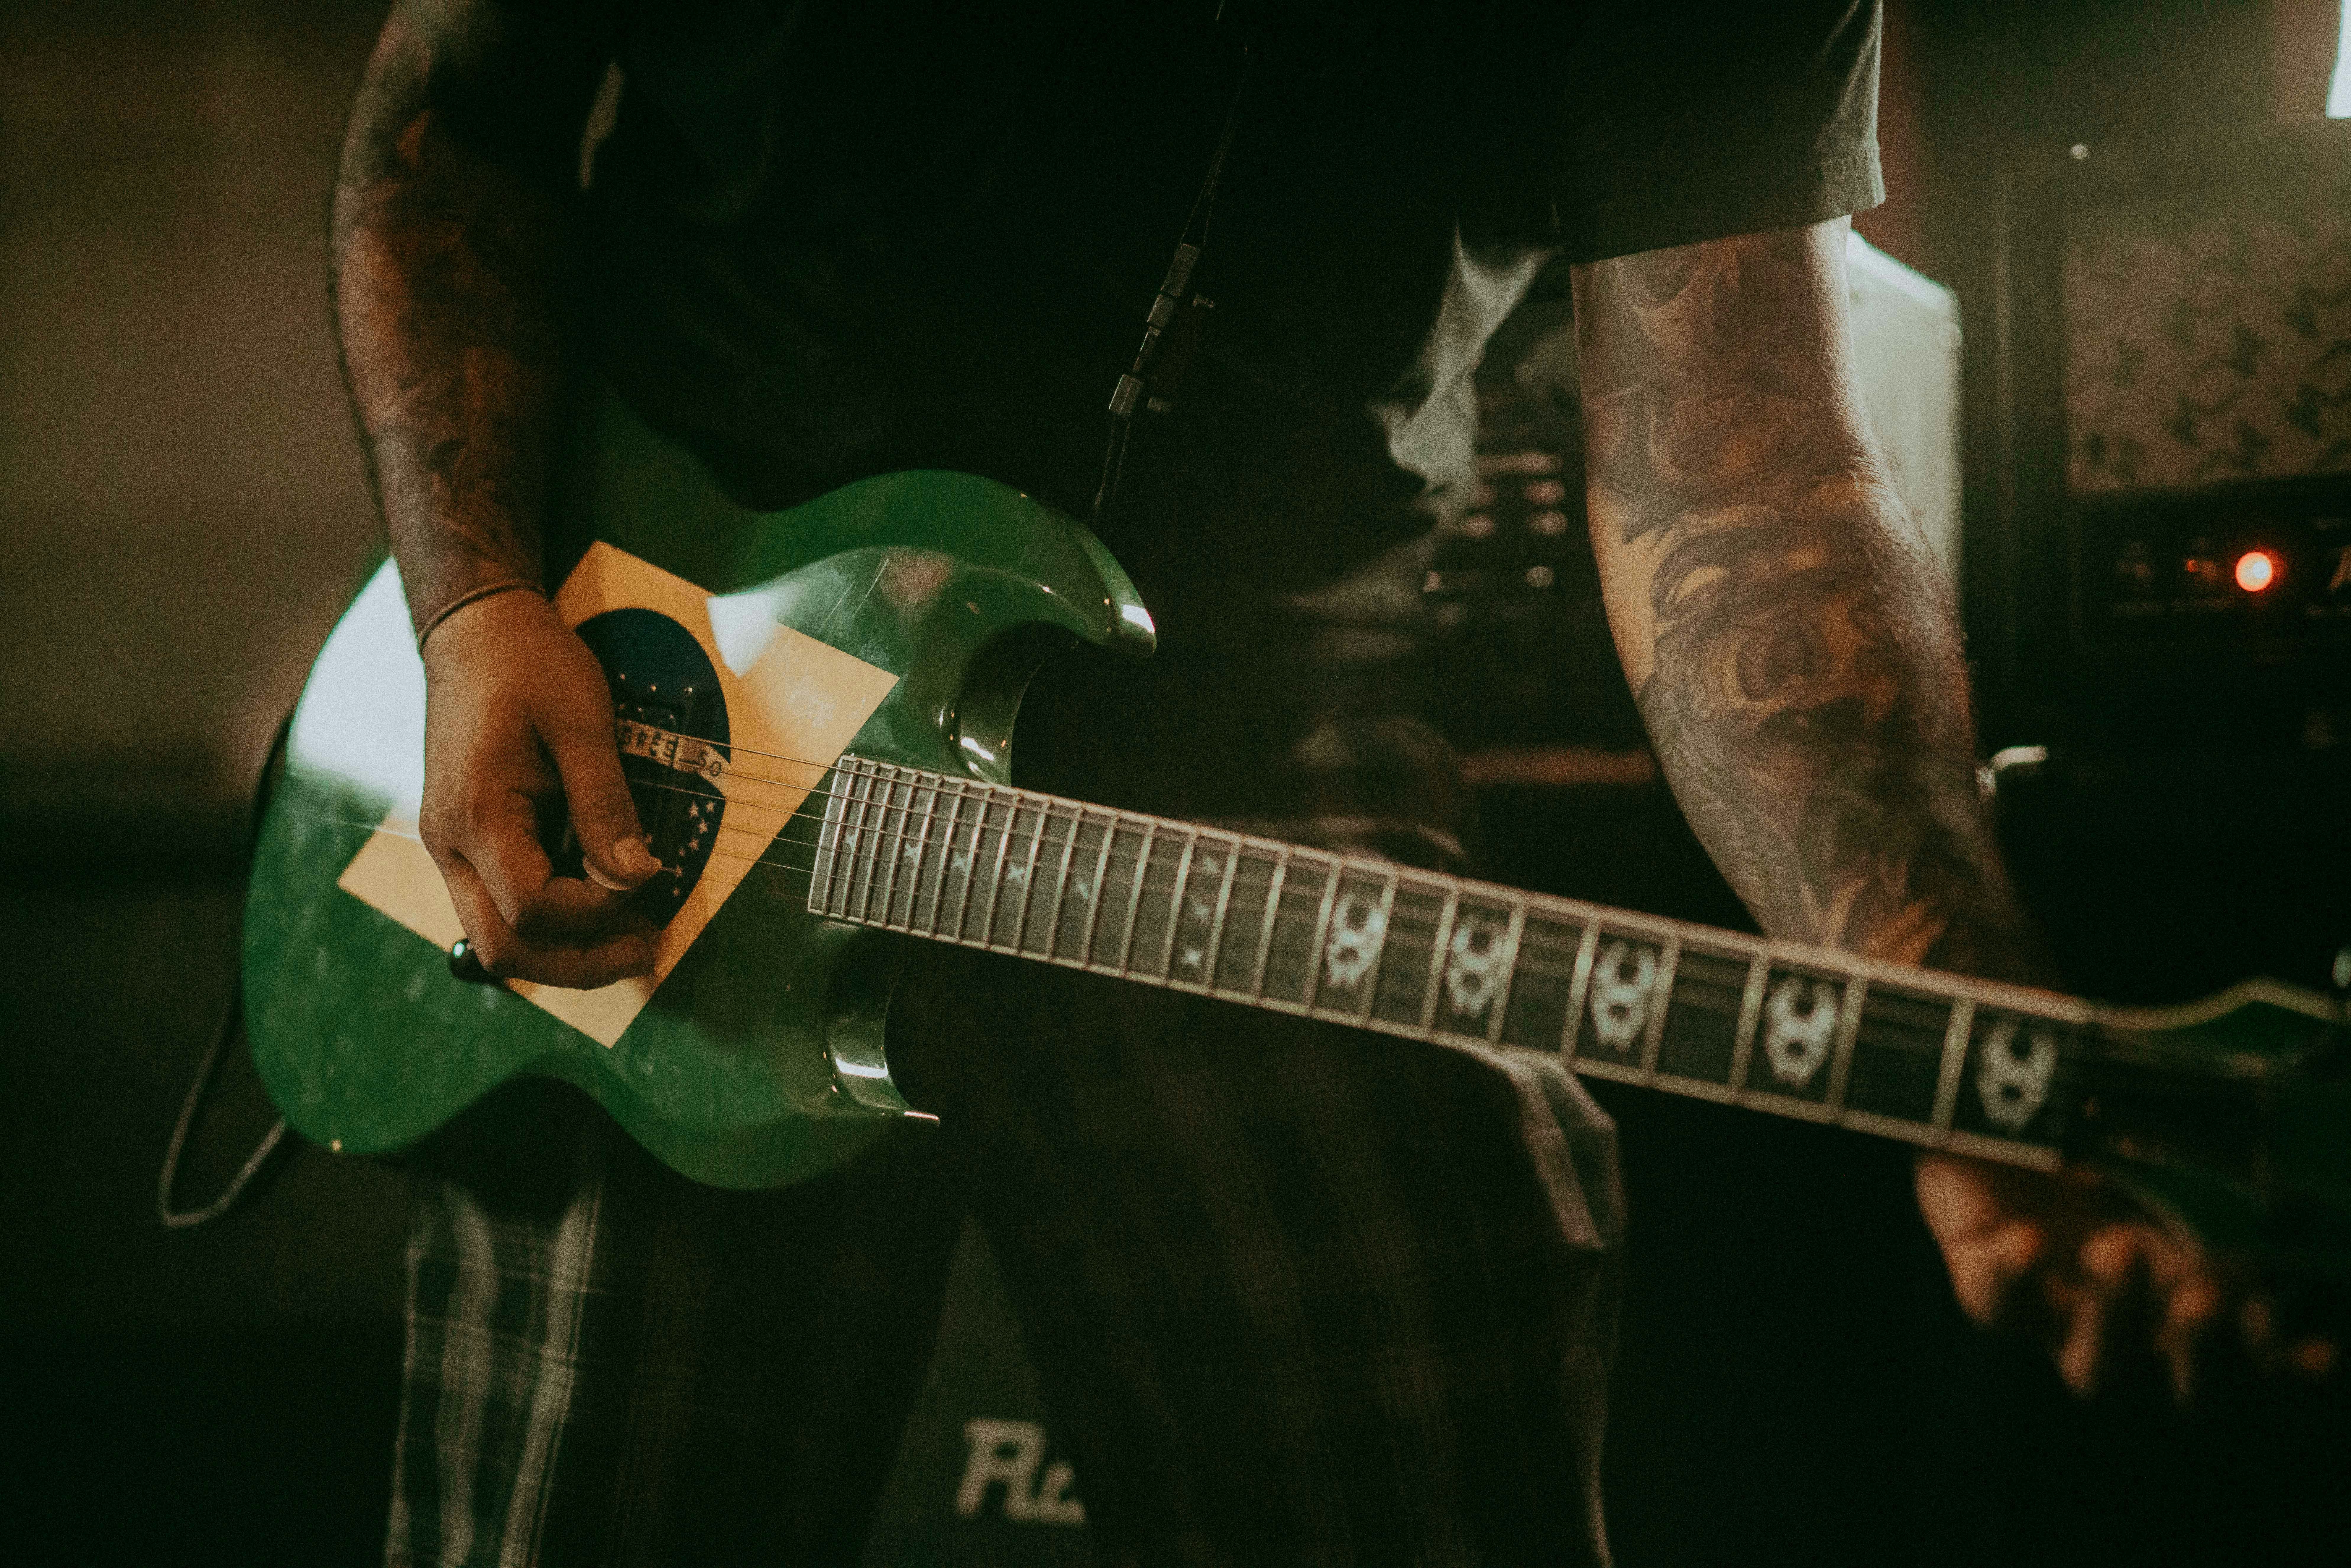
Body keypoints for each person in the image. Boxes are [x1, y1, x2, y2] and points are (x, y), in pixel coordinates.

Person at [329, 2, 2245, 1563]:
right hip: (660, 732)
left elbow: (1739, 471)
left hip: (1247, 752)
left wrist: (1962, 1018)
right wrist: (479, 606)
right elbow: (448, 113)